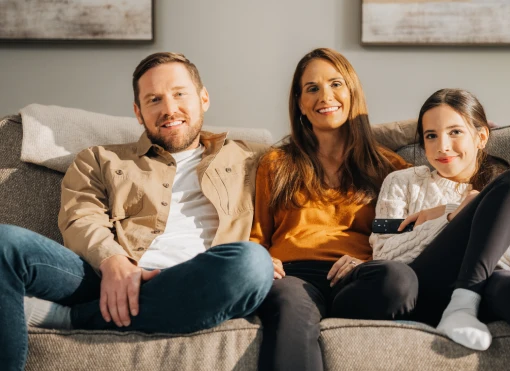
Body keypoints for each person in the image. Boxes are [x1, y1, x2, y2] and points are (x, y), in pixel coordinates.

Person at [0, 52, 274, 371]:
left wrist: (276, 252)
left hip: (199, 279)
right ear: (138, 112)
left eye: (179, 94)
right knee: (5, 243)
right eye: (154, 99)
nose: (169, 109)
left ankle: (73, 317)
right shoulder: (99, 159)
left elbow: (300, 208)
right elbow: (80, 218)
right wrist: (113, 260)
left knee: (253, 264)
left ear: (204, 98)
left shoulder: (252, 158)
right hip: (106, 276)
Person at [370, 88, 510, 370]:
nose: (442, 146)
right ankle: (461, 305)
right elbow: (385, 255)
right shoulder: (401, 182)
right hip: (424, 288)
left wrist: (470, 209)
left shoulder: (505, 190)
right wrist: (451, 215)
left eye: (455, 132)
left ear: (481, 137)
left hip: (482, 288)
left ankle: (463, 301)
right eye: (431, 136)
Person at [250, 48, 418, 371]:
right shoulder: (276, 164)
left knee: (401, 281)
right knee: (288, 304)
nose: (325, 95)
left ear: (352, 92)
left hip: (354, 274)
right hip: (293, 275)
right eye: (312, 88)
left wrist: (368, 260)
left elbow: (407, 228)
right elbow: (257, 234)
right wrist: (261, 260)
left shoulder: (388, 168)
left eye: (335, 84)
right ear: (300, 103)